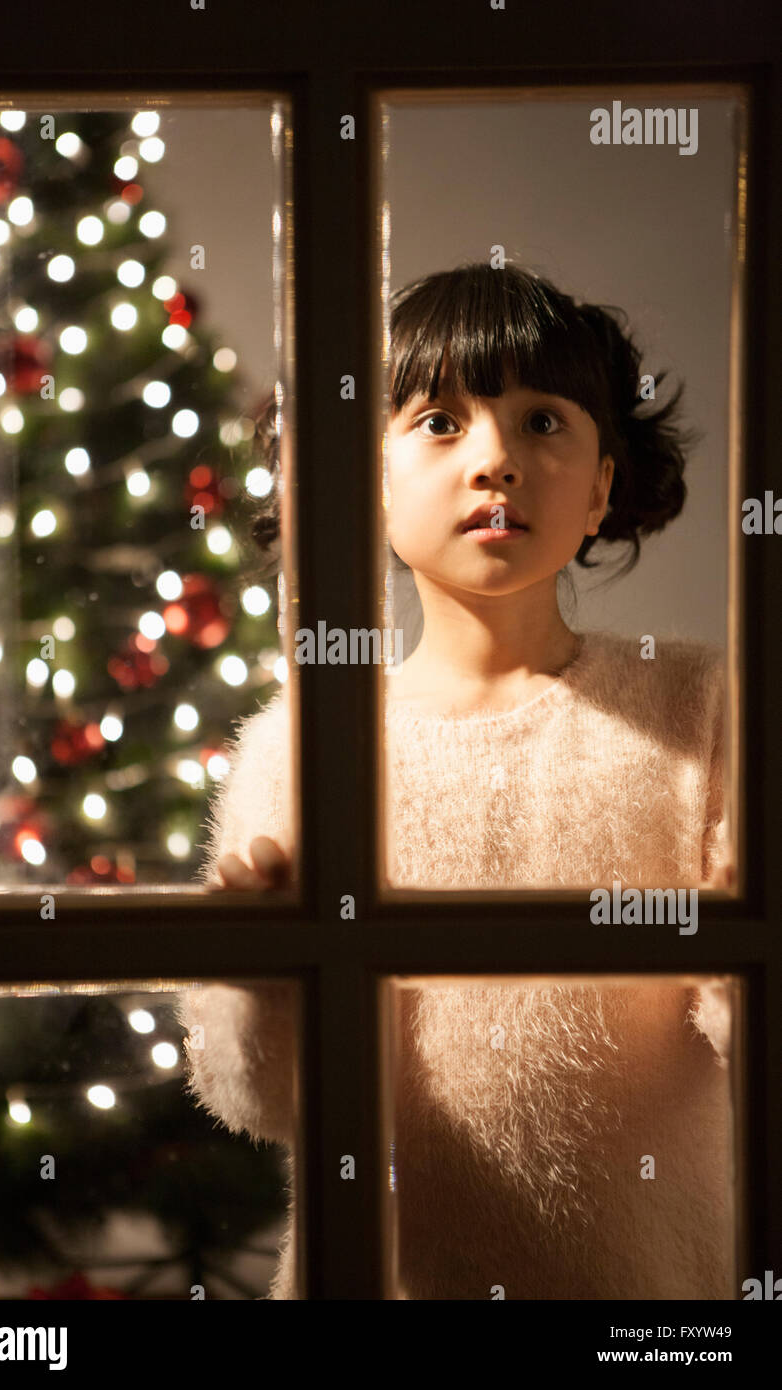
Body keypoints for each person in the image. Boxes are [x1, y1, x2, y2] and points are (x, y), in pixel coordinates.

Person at [176, 262, 736, 1299]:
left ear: (603, 485)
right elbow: (253, 1094)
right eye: (439, 421)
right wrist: (255, 969)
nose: (494, 460)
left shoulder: (699, 706)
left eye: (540, 421)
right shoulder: (302, 740)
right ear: (365, 479)